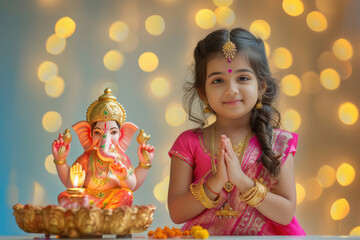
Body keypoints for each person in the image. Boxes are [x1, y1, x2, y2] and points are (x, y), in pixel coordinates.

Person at [167, 28, 305, 235]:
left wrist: (242, 182)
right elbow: (177, 213)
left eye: (243, 78)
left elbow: (285, 213)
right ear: (203, 92)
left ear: (262, 86)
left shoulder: (278, 142)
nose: (231, 89)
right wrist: (215, 182)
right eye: (218, 80)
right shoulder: (189, 142)